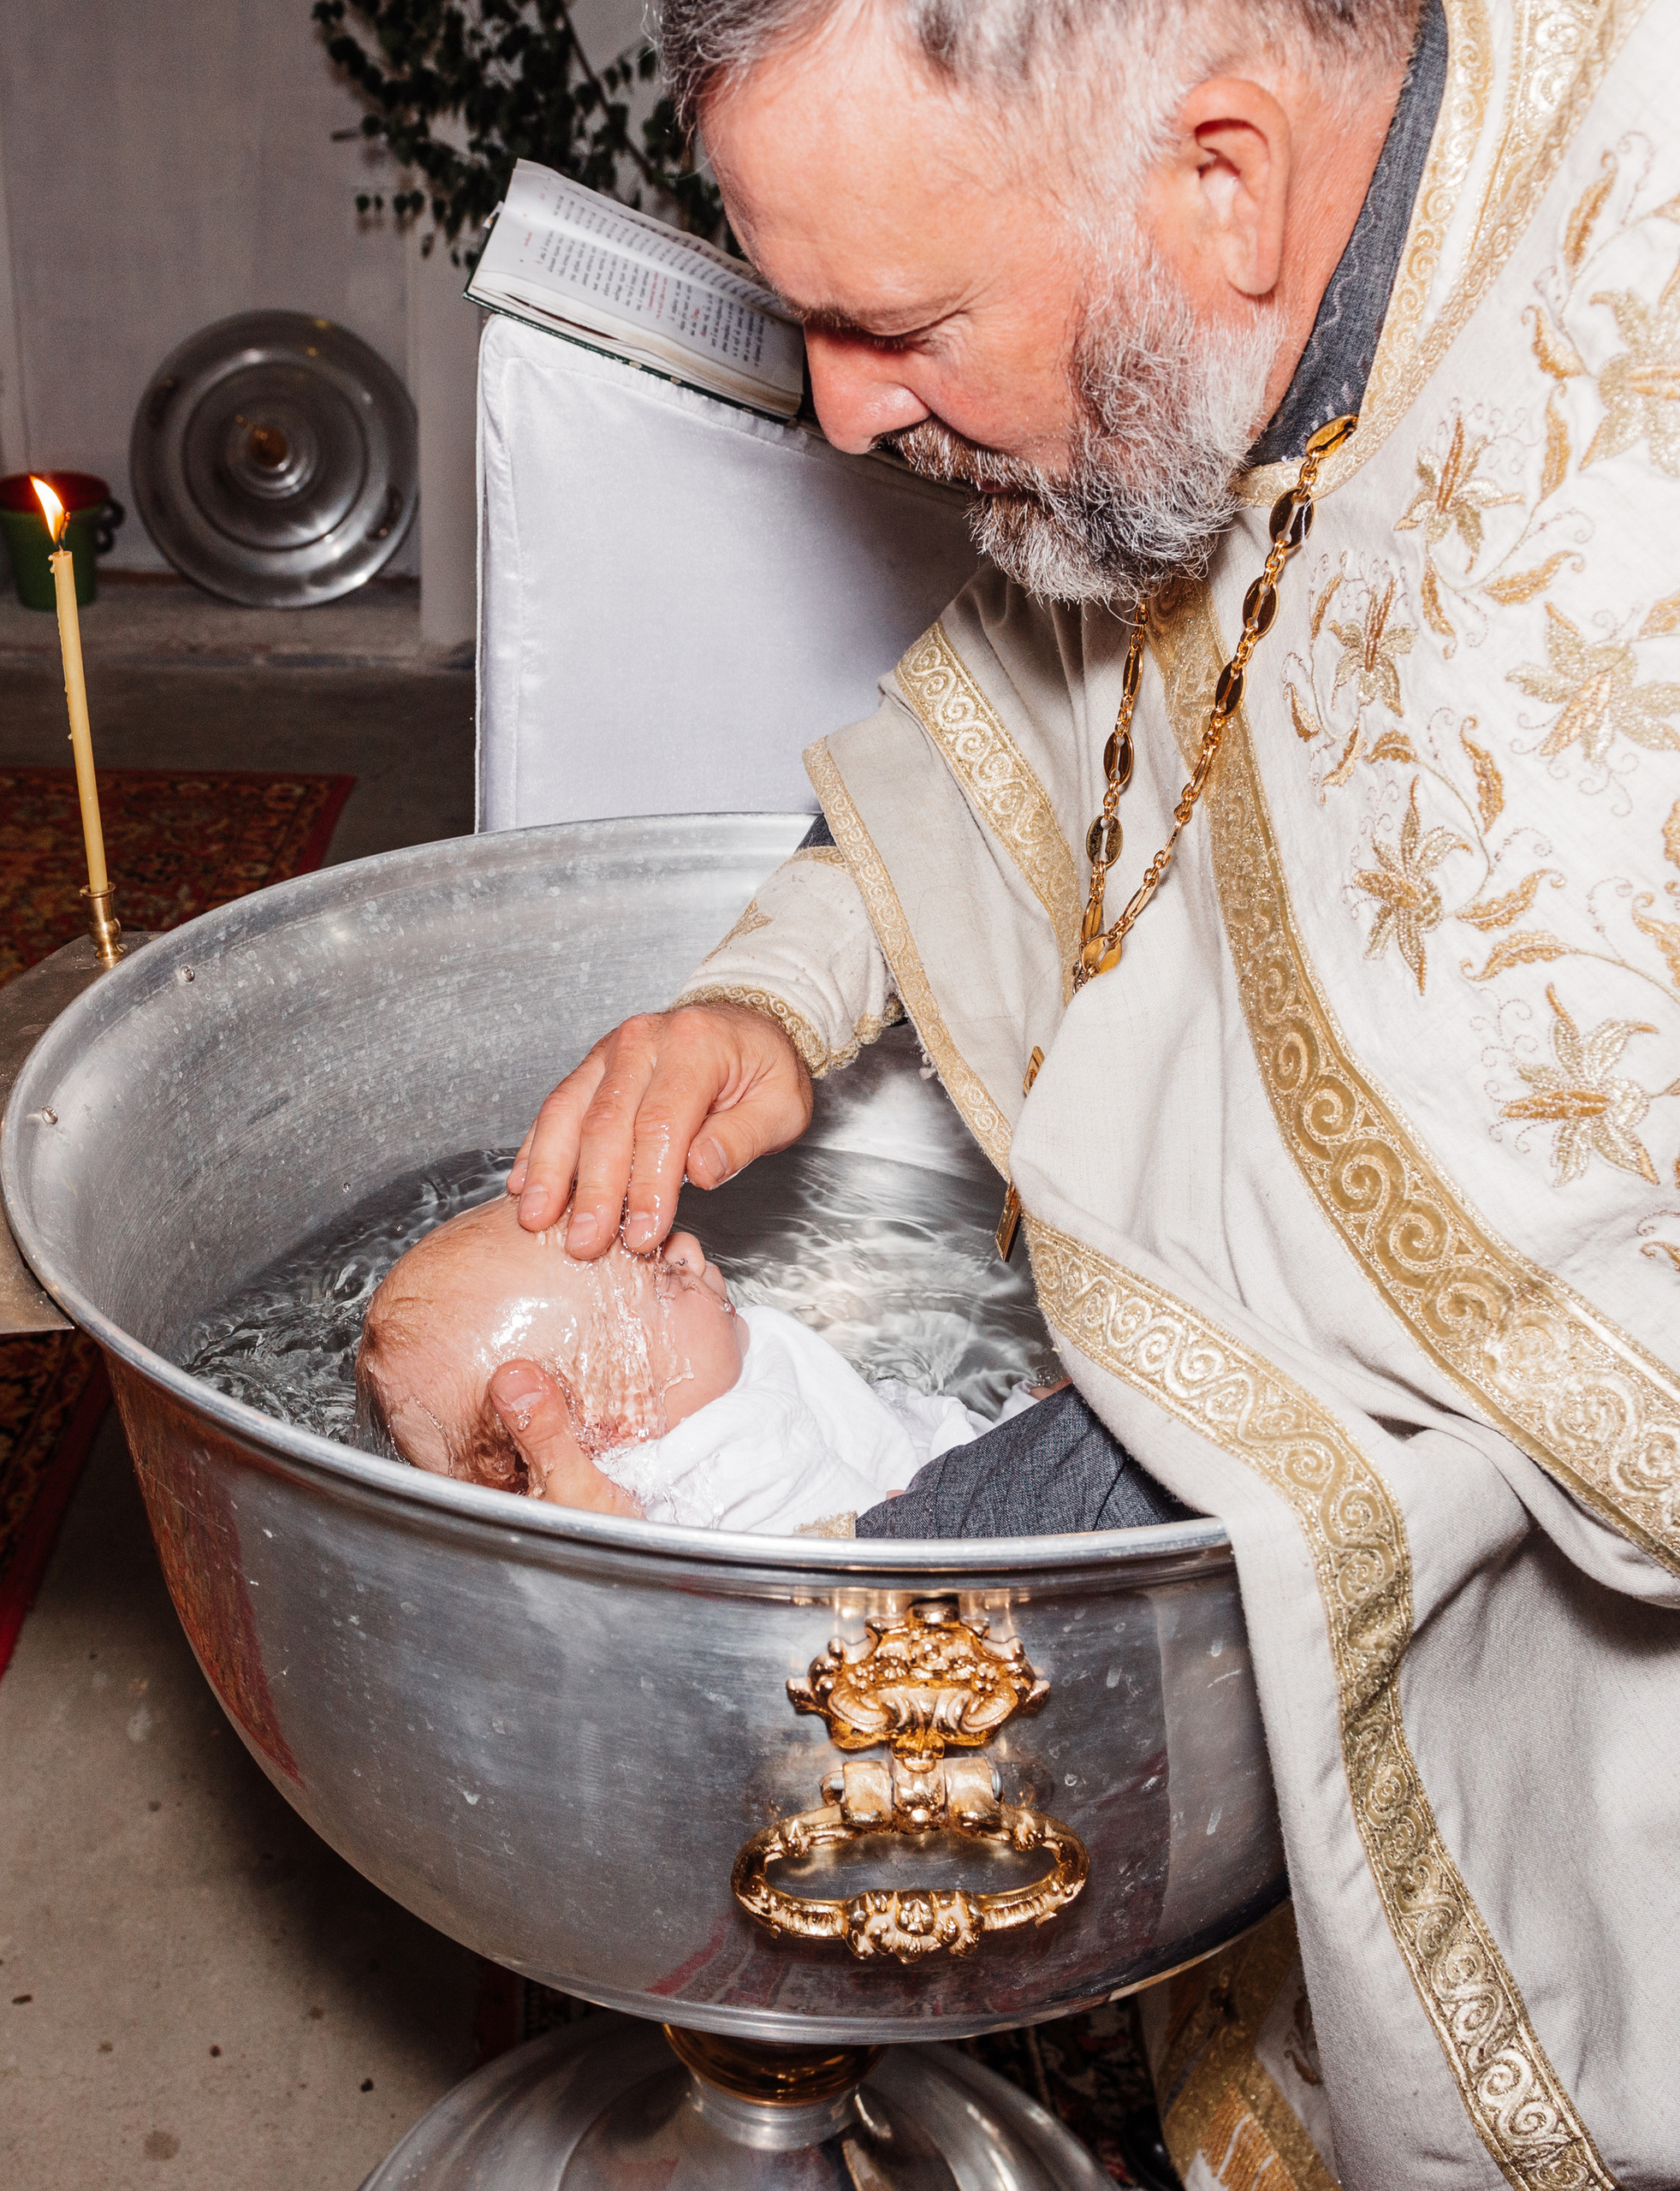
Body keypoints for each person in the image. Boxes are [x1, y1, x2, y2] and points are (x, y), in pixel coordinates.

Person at [488, 0, 1680, 2184]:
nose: (835, 415)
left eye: (896, 319)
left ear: (1217, 178)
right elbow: (1100, 687)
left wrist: (852, 1596)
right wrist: (775, 990)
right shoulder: (1229, 304)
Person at [355, 1192, 1091, 1532]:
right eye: (661, 1276)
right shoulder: (705, 1484)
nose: (690, 1249)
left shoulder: (705, 1386)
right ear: (615, 1422)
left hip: (950, 1456)